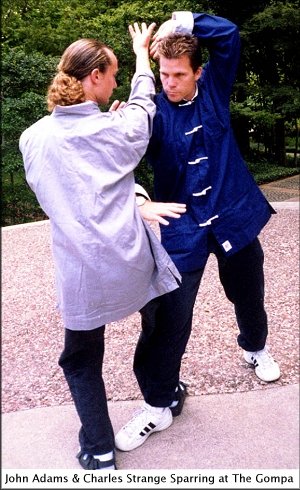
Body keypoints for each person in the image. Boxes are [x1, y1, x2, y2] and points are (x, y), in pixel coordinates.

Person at [19, 22, 187, 470]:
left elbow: (65, 196)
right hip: (131, 262)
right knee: (160, 314)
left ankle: (98, 448)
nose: (115, 81)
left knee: (80, 358)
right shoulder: (117, 130)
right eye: (110, 73)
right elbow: (142, 102)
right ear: (95, 77)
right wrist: (139, 54)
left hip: (81, 273)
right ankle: (166, 393)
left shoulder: (32, 138)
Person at [115, 11, 281, 453]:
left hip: (233, 214)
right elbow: (116, 165)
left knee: (249, 293)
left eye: (177, 75)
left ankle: (255, 347)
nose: (168, 82)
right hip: (180, 227)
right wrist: (140, 200)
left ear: (197, 73)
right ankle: (157, 402)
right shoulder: (148, 112)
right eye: (163, 74)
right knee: (167, 318)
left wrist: (179, 24)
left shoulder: (213, 92)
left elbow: (227, 34)